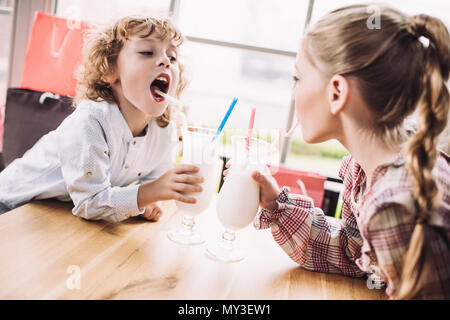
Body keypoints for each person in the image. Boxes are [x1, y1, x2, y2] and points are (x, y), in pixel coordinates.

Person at [229, 4, 449, 299]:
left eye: (298, 78)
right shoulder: (365, 171)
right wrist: (276, 206)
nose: (294, 93)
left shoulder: (394, 208)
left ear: (336, 93)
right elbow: (352, 253)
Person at [0, 16, 204, 222]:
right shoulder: (91, 121)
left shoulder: (164, 131)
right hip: (11, 205)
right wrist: (151, 192)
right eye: (147, 52)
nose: (165, 61)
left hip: (51, 214)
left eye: (173, 57)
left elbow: (155, 180)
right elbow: (91, 203)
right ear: (109, 71)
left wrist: (151, 199)